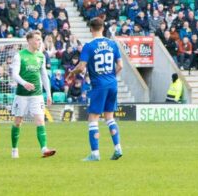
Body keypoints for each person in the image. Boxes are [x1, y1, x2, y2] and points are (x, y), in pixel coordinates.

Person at [69, 18, 123, 161]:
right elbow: (121, 66)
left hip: (99, 85)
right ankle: (118, 148)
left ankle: (95, 153)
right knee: (109, 117)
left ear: (91, 29)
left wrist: (72, 72)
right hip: (112, 83)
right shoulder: (113, 44)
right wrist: (111, 76)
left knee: (93, 118)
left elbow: (81, 67)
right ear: (103, 28)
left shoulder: (89, 46)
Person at [10, 31, 56, 159]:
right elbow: (14, 74)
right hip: (22, 95)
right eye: (36, 39)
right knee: (18, 122)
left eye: (40, 40)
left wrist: (48, 94)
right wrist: (24, 83)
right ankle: (14, 149)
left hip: (37, 94)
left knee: (40, 120)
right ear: (29, 41)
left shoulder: (41, 56)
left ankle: (44, 149)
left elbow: (44, 75)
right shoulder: (19, 55)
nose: (39, 42)